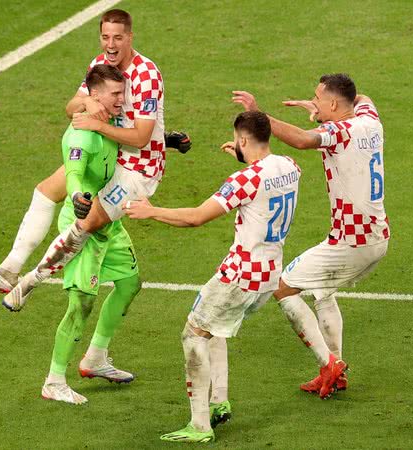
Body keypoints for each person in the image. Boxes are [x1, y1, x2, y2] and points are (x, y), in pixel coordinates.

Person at [0, 8, 190, 294]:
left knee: (86, 223)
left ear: (130, 37)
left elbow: (142, 138)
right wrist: (88, 105)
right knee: (45, 191)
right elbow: (71, 107)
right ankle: (8, 270)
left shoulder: (147, 75)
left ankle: (28, 285)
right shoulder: (99, 66)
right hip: (107, 154)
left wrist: (97, 127)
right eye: (105, 37)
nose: (111, 45)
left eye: (118, 38)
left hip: (138, 169)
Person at [124, 111, 301, 443]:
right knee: (214, 327)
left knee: (193, 334)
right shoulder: (291, 166)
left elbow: (195, 218)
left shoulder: (243, 181)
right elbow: (262, 175)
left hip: (240, 275)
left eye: (237, 141)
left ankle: (200, 425)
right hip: (269, 274)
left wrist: (151, 211)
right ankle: (219, 401)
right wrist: (241, 156)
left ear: (243, 140)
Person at [232, 73, 389, 398]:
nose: (314, 103)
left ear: (334, 104)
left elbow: (303, 140)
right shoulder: (370, 121)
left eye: (318, 98)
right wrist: (318, 107)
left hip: (352, 243)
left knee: (282, 286)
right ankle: (335, 372)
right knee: (322, 291)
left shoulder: (341, 131)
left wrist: (259, 117)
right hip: (374, 234)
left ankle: (329, 363)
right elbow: (363, 97)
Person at [39, 64, 142, 404]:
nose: (121, 99)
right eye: (115, 93)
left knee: (129, 283)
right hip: (83, 221)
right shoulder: (82, 133)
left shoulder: (109, 122)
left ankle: (95, 357)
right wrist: (77, 197)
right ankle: (54, 380)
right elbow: (74, 173)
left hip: (108, 220)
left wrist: (167, 142)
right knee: (81, 303)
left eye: (122, 92)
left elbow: (129, 147)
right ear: (94, 95)